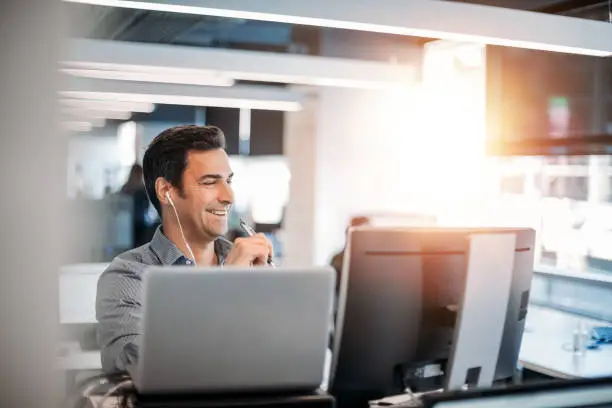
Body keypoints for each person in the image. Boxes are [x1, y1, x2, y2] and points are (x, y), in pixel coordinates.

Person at [96, 125, 274, 376]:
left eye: (229, 181)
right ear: (166, 191)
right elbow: (138, 367)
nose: (228, 196)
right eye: (210, 182)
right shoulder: (129, 277)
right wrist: (227, 287)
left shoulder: (251, 266)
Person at [119, 163, 157, 248]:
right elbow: (120, 204)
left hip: (137, 223)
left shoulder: (139, 189)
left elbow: (146, 206)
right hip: (129, 223)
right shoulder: (129, 188)